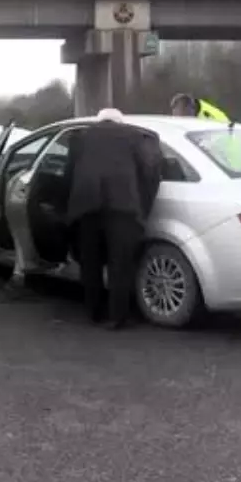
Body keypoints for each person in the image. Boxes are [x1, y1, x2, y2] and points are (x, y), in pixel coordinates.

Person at [65, 108, 162, 329]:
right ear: (120, 122)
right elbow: (149, 171)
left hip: (87, 206)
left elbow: (68, 174)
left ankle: (94, 312)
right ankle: (117, 317)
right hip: (123, 207)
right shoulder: (135, 137)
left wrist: (68, 209)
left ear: (99, 121)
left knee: (90, 262)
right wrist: (142, 205)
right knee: (121, 263)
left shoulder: (80, 137)